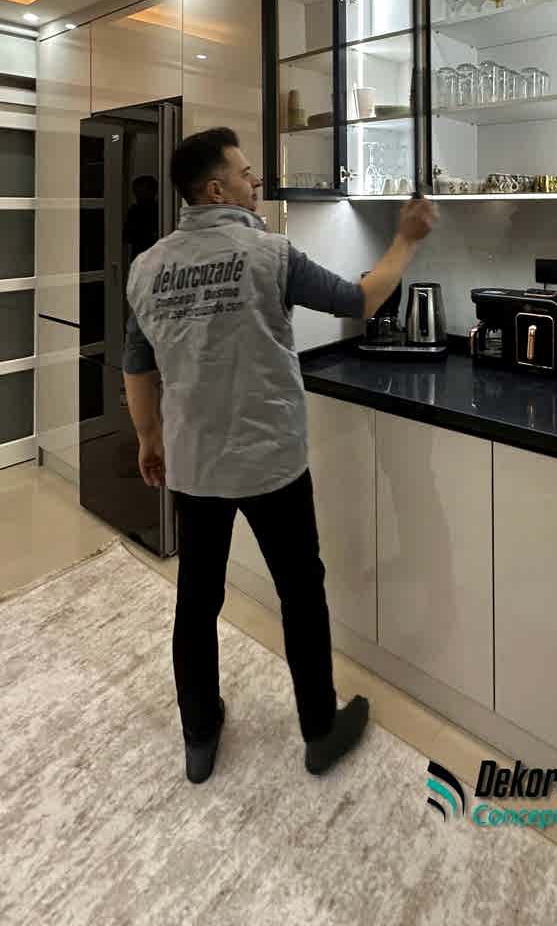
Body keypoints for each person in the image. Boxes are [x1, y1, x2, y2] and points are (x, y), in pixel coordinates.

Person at [122, 127, 436, 784]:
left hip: (195, 464)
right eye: (245, 173)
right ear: (216, 190)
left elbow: (137, 366)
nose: (255, 181)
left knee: (197, 599)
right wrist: (406, 240)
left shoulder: (148, 268)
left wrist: (148, 436)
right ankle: (319, 729)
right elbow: (360, 300)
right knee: (300, 592)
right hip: (271, 463)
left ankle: (199, 735)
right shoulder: (271, 255)